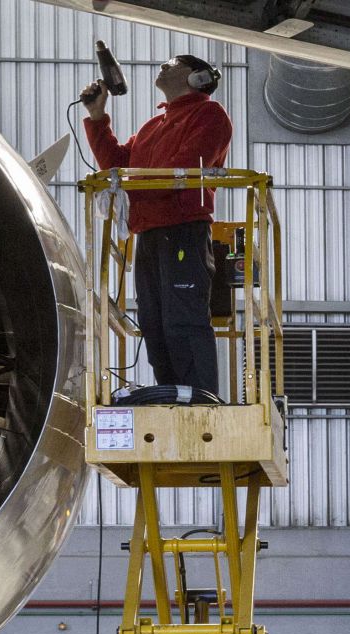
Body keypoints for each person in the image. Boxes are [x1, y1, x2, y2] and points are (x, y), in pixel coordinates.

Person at [82, 54, 234, 397]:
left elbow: (181, 171)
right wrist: (97, 116)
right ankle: (170, 396)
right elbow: (117, 165)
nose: (164, 67)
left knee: (183, 321)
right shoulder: (154, 127)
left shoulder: (210, 115)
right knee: (154, 324)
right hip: (149, 235)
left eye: (173, 64)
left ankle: (199, 400)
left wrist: (133, 184)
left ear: (197, 78)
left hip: (183, 229)